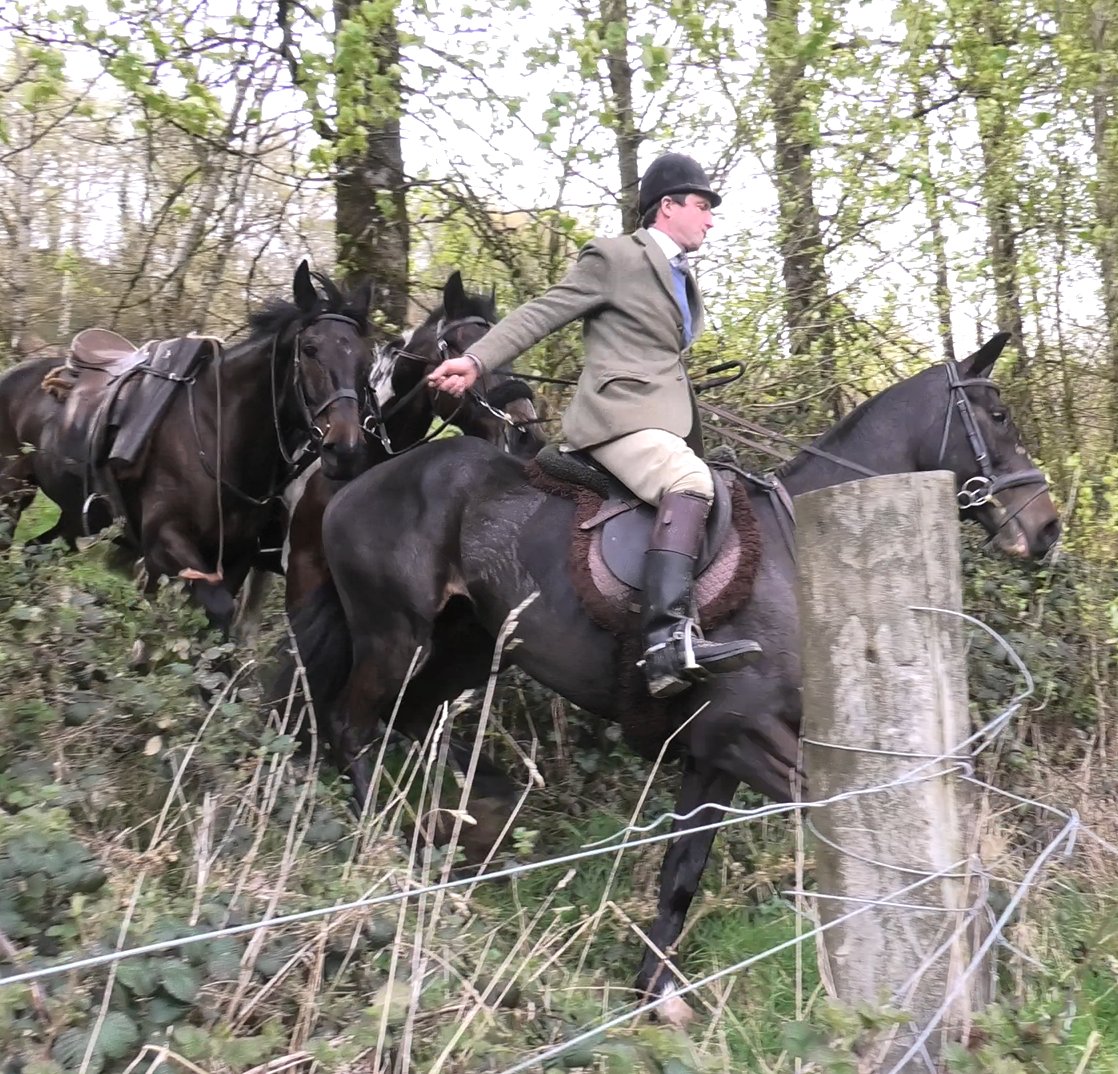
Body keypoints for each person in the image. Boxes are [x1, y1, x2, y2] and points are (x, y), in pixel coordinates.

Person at [427, 152, 760, 698]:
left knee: (714, 485)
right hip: (617, 420)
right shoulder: (614, 258)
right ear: (667, 207)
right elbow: (542, 311)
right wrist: (476, 362)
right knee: (690, 483)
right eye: (701, 205)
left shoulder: (683, 279)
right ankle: (665, 642)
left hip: (660, 423)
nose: (710, 218)